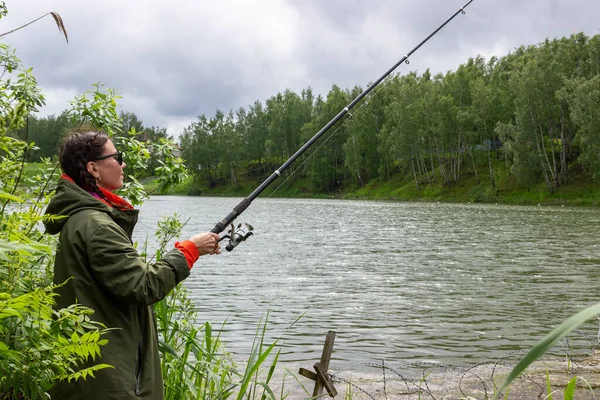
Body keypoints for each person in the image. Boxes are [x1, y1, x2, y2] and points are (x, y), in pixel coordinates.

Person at [43, 129, 220, 399]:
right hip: (111, 379)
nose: (123, 164)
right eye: (117, 157)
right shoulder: (97, 226)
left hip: (94, 371)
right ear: (93, 168)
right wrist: (189, 251)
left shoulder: (82, 219)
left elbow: (121, 279)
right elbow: (143, 286)